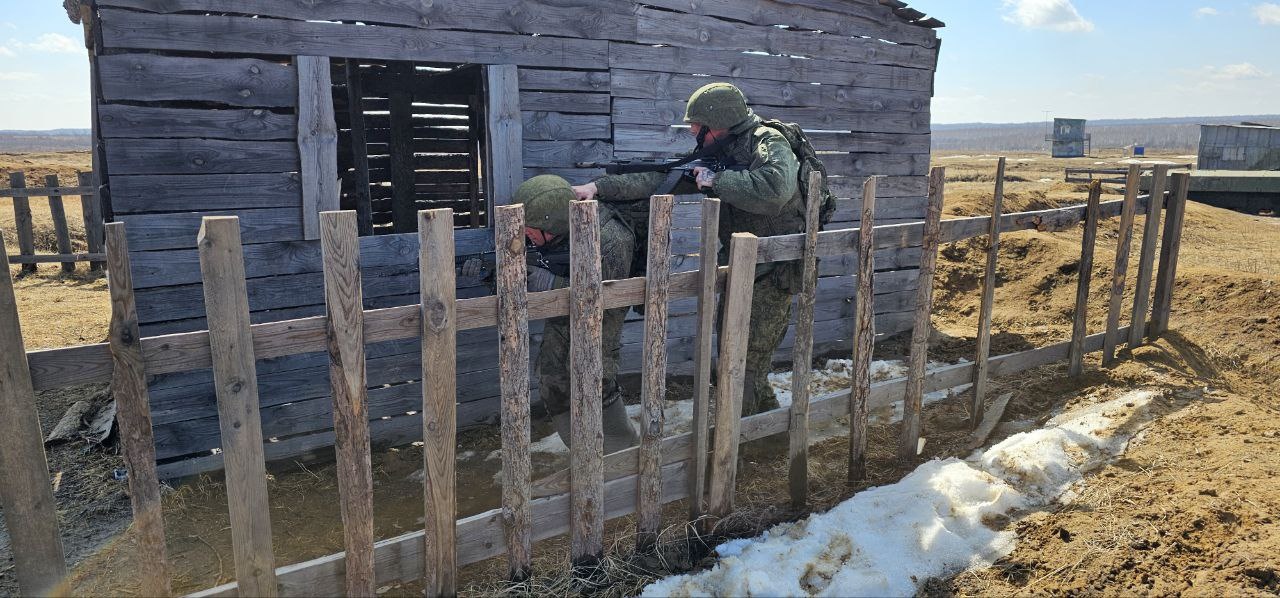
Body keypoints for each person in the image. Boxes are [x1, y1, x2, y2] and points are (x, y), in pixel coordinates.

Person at [572, 82, 814, 416]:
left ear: (719, 122)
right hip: (742, 262)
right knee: (734, 352)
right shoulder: (724, 149)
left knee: (747, 358)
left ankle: (751, 437)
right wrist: (597, 187)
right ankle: (755, 430)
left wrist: (717, 181)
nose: (691, 130)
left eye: (697, 124)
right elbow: (660, 180)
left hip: (775, 266)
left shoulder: (766, 141)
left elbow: (776, 189)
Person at [513, 174, 641, 453]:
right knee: (552, 377)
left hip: (603, 316)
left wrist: (550, 283)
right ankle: (585, 454)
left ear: (553, 222)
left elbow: (606, 297)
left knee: (593, 378)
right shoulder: (557, 233)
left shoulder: (611, 238)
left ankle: (624, 454)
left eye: (531, 228)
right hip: (567, 311)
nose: (526, 235)